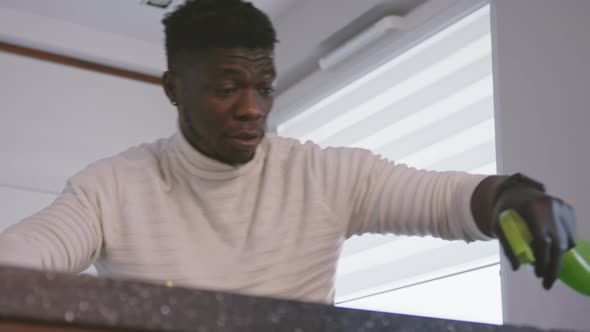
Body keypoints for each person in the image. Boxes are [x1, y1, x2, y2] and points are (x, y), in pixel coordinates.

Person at [0, 0, 576, 304]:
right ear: (174, 89)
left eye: (266, 85)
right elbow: (24, 256)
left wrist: (513, 194)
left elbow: (445, 198)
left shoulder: (323, 174)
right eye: (228, 88)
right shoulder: (111, 187)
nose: (253, 107)